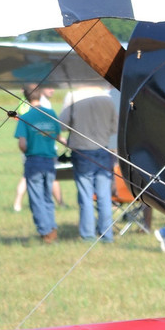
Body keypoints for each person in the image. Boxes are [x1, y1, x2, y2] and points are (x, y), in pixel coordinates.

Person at [66, 85, 118, 242]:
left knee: (85, 195)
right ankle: (107, 234)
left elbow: (62, 123)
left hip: (82, 151)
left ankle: (88, 235)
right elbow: (115, 127)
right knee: (104, 195)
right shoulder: (106, 97)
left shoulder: (73, 96)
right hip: (103, 150)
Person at [14, 87, 64, 242]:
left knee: (36, 198)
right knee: (47, 197)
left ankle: (45, 232)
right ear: (40, 94)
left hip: (34, 161)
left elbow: (22, 144)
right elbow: (58, 136)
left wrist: (28, 147)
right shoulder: (52, 114)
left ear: (26, 98)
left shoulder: (26, 117)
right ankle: (52, 228)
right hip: (50, 161)